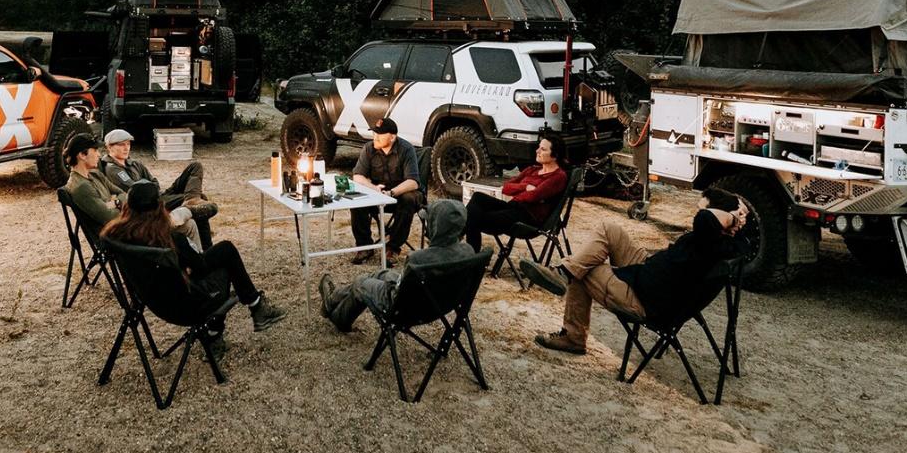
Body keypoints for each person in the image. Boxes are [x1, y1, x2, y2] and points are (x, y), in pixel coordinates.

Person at [522, 188, 750, 354]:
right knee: (608, 229)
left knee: (586, 271)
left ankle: (573, 336)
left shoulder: (708, 237)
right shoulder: (730, 243)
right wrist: (736, 215)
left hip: (645, 298)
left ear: (719, 217)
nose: (696, 215)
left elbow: (704, 220)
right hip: (649, 272)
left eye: (703, 209)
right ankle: (564, 272)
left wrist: (731, 214)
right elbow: (723, 229)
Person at [102, 181, 286, 354]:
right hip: (189, 308)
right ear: (160, 208)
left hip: (154, 302)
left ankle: (253, 307)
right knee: (226, 254)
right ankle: (241, 316)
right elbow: (200, 267)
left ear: (128, 208)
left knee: (220, 254)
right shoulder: (170, 240)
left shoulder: (115, 235)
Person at [318, 199, 471, 332]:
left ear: (436, 227)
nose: (426, 227)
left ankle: (339, 318)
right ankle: (331, 300)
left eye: (429, 223)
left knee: (361, 282)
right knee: (379, 274)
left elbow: (398, 291)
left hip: (406, 309)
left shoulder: (419, 259)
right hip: (441, 304)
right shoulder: (467, 252)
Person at [99, 128, 212, 249]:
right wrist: (148, 186)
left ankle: (192, 198)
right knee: (199, 205)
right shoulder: (112, 168)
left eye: (128, 144)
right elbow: (135, 189)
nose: (126, 148)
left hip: (159, 194)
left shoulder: (135, 163)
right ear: (109, 147)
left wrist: (149, 185)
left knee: (195, 167)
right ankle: (207, 248)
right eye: (121, 145)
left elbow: (153, 181)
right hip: (149, 205)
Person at [464, 136, 567, 251]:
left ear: (555, 155)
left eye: (543, 149)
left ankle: (470, 256)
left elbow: (534, 196)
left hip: (527, 218)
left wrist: (520, 193)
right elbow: (506, 188)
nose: (537, 151)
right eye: (539, 147)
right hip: (513, 207)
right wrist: (525, 187)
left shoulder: (558, 176)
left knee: (473, 218)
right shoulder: (532, 169)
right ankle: (470, 255)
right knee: (478, 197)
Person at [349, 117, 421, 264]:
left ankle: (393, 248)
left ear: (392, 137)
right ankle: (365, 246)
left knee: (409, 199)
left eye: (380, 134)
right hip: (377, 193)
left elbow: (413, 182)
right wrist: (374, 188)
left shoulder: (406, 149)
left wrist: (391, 193)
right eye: (374, 133)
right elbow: (357, 176)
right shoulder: (369, 148)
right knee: (356, 199)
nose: (375, 137)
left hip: (400, 193)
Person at [62, 133, 125, 226]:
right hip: (115, 234)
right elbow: (110, 218)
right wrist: (118, 202)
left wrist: (113, 203)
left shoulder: (95, 174)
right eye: (95, 150)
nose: (99, 155)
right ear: (82, 155)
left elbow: (123, 193)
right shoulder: (81, 186)